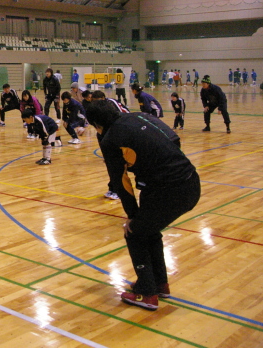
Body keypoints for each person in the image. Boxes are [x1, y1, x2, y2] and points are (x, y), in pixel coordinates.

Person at [85, 100, 200, 311]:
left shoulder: (110, 139)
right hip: (190, 180)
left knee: (134, 233)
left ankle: (147, 294)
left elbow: (120, 182)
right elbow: (174, 139)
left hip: (168, 189)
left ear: (96, 125)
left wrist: (132, 215)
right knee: (149, 230)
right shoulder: (140, 116)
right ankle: (159, 284)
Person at [91, 90, 129, 200]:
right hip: (103, 133)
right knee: (110, 163)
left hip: (117, 132)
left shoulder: (112, 104)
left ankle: (119, 190)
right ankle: (113, 188)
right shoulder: (93, 107)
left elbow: (124, 115)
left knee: (117, 163)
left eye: (99, 101)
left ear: (104, 98)